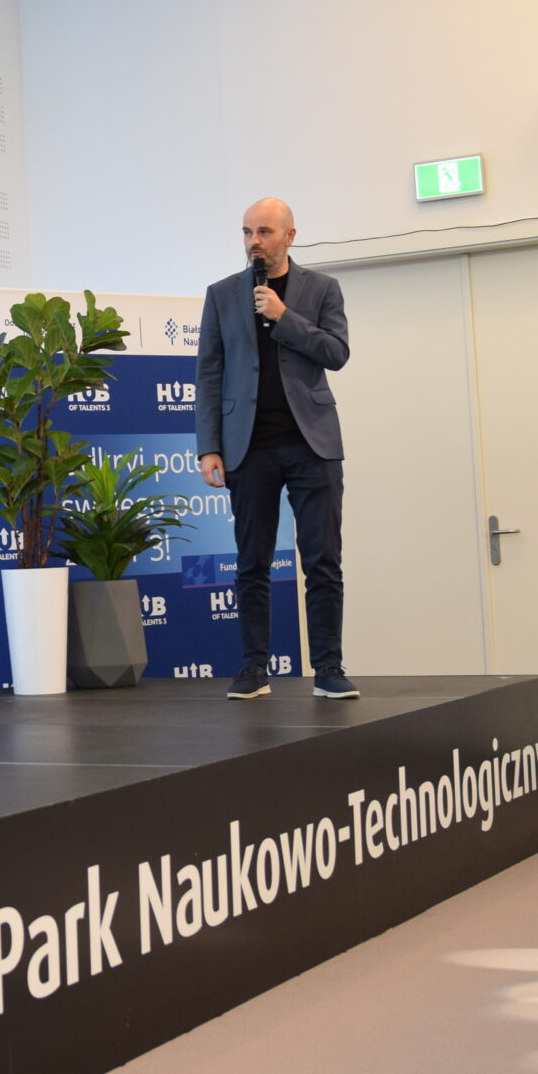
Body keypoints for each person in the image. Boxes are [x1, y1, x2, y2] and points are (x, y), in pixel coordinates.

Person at [194, 198, 354, 702]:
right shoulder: (222, 295)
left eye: (263, 231)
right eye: (247, 232)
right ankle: (253, 668)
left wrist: (284, 317)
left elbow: (337, 353)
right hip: (249, 447)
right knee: (252, 563)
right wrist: (209, 447)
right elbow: (209, 374)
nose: (253, 242)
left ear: (289, 236)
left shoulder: (322, 289)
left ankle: (328, 668)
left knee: (322, 561)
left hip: (312, 444)